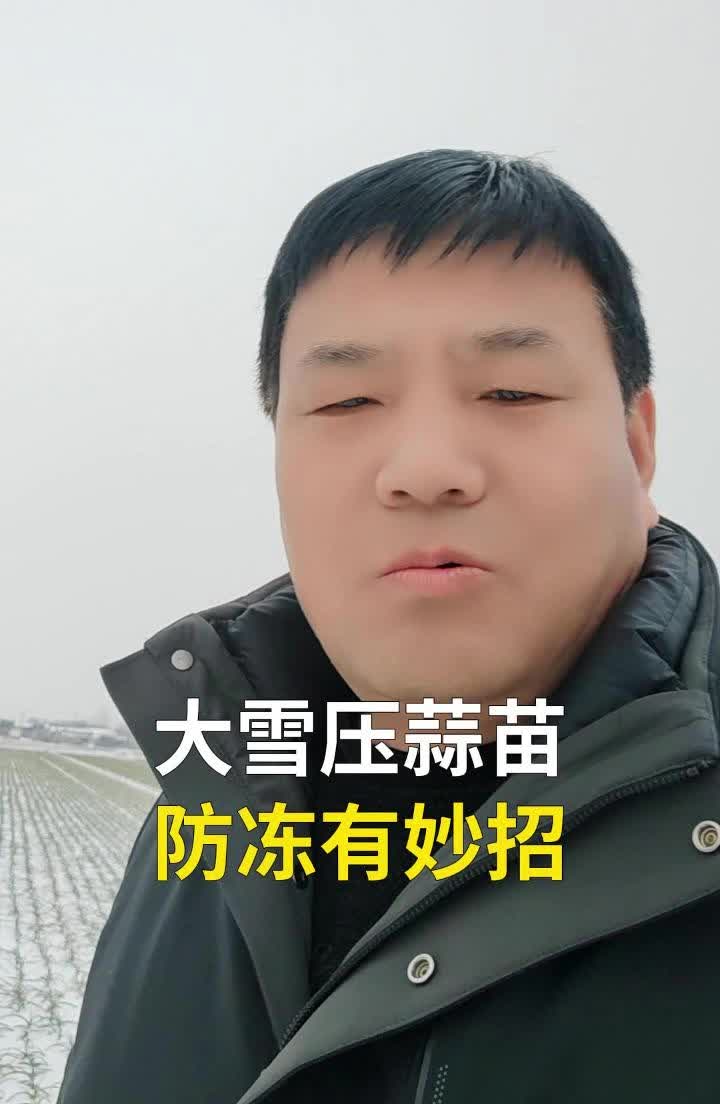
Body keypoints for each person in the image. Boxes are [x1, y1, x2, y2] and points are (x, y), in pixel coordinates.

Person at [57, 149, 720, 1104]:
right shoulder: (213, 805)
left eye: (513, 392)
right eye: (347, 401)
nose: (424, 468)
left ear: (637, 440)